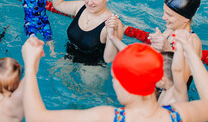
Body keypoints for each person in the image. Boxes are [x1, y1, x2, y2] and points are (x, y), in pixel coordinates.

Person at [21, 35, 208, 122]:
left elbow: (36, 117)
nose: (113, 82)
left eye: (114, 78)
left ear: (125, 85)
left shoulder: (109, 116)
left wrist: (30, 67)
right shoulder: (178, 114)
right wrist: (191, 52)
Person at [51, 0, 123, 65]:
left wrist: (112, 34)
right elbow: (58, 4)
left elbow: (109, 59)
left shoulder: (113, 23)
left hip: (93, 66)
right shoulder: (80, 7)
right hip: (70, 55)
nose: (90, 2)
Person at [148, 0, 202, 86]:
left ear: (186, 19)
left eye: (169, 15)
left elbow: (180, 84)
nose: (163, 17)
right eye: (164, 12)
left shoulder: (192, 42)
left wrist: (167, 49)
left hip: (171, 98)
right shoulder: (169, 31)